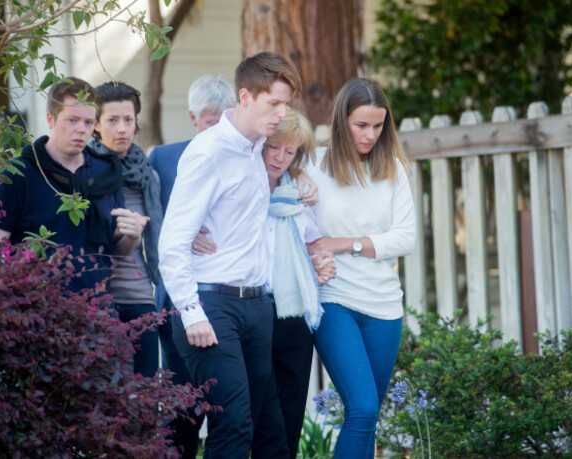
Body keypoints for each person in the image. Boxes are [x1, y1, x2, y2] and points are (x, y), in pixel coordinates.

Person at [157, 52, 302, 459]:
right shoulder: (209, 152)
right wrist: (191, 310)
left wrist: (300, 178)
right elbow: (172, 241)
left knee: (268, 429)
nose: (280, 113)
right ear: (245, 97)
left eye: (286, 104)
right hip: (212, 304)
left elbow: (291, 156)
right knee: (233, 424)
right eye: (273, 103)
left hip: (257, 305)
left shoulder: (258, 149)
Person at [192, 108, 336, 458]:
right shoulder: (242, 189)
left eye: (290, 151)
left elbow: (312, 245)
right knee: (245, 418)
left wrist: (321, 263)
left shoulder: (298, 197)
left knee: (284, 422)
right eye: (275, 147)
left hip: (292, 317)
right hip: (250, 310)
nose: (280, 157)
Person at [306, 78, 416, 459]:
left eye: (378, 125)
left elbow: (406, 238)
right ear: (342, 121)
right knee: (363, 408)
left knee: (368, 418)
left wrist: (343, 244)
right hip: (333, 300)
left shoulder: (393, 171)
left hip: (385, 307)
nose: (370, 135)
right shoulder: (311, 166)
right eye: (361, 125)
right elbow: (293, 229)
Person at [0, 77, 144, 295]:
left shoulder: (106, 172)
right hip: (36, 308)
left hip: (98, 309)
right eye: (72, 120)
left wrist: (132, 236)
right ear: (51, 120)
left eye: (88, 122)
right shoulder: (19, 173)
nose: (81, 129)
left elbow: (113, 252)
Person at [148, 74, 237, 458]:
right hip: (179, 301)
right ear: (192, 117)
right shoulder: (164, 158)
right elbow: (149, 217)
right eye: (208, 122)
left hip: (229, 300)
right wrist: (180, 229)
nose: (215, 131)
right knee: (184, 403)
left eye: (222, 122)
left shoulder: (245, 156)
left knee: (227, 404)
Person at [88, 81, 161, 377]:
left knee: (143, 395)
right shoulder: (84, 172)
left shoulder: (149, 176)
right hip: (101, 296)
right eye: (112, 120)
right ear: (96, 125)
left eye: (128, 120)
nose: (122, 129)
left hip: (142, 296)